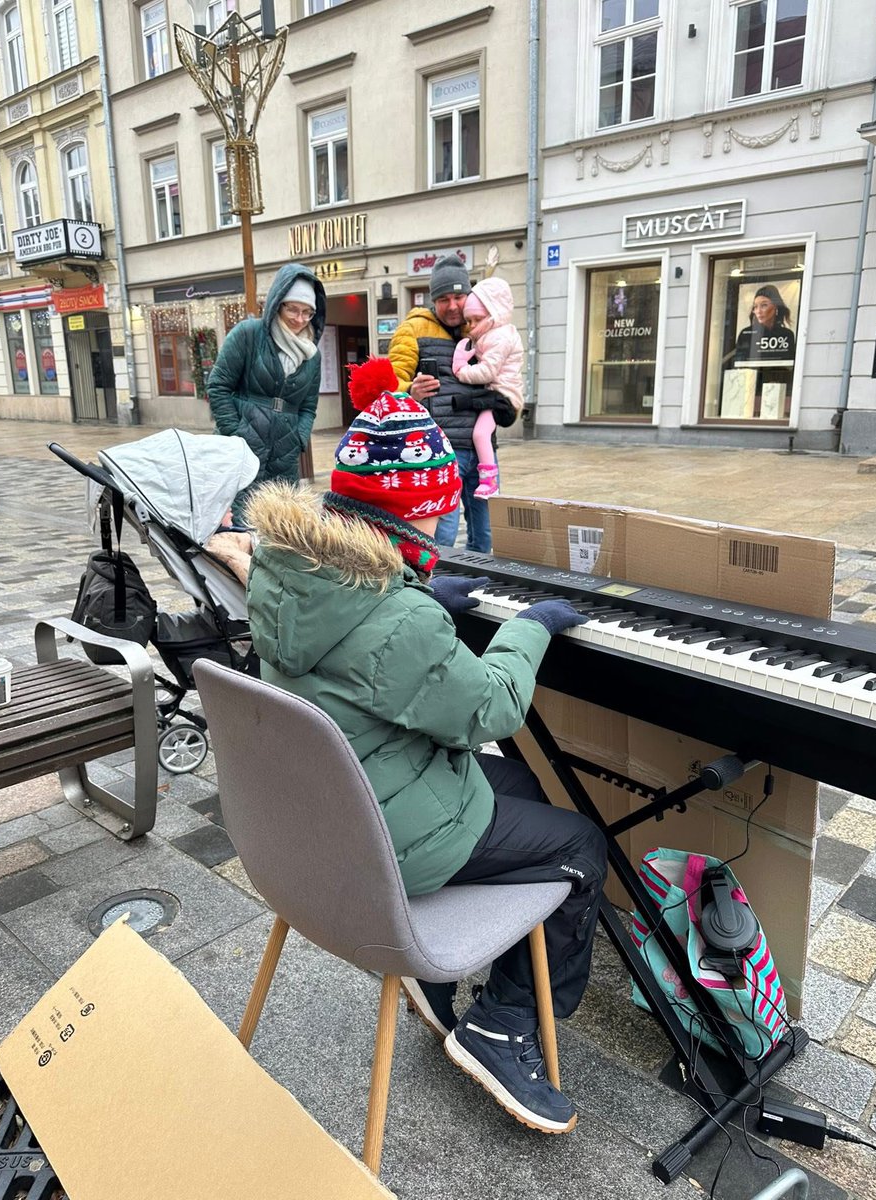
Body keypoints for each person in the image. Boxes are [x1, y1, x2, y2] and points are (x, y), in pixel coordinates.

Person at [244, 357, 607, 1136]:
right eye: (437, 518)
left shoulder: (283, 570)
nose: (447, 530)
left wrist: (412, 591)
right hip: (388, 843)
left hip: (323, 817)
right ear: (412, 523)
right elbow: (495, 707)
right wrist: (528, 625)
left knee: (524, 793)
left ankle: (466, 974)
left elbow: (359, 647)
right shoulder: (398, 623)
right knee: (581, 841)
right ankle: (504, 1025)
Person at [388, 253, 516, 553]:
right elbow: (389, 383)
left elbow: (506, 374)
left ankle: (475, 590)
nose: (453, 305)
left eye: (458, 296)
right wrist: (411, 391)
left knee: (486, 534)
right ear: (433, 300)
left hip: (484, 451)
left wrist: (508, 405)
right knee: (440, 538)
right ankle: (438, 593)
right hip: (440, 451)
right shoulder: (414, 329)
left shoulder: (483, 328)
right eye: (443, 298)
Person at [207, 263, 326, 521]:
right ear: (278, 303)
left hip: (285, 453)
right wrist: (236, 433)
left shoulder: (311, 354)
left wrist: (298, 438)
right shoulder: (248, 334)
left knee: (280, 529)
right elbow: (218, 386)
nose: (299, 319)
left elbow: (308, 406)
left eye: (307, 312)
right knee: (239, 523)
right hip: (241, 449)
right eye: (293, 309)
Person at [451, 276, 524, 499]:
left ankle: (489, 481)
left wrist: (460, 370)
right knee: (480, 432)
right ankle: (488, 480)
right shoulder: (493, 334)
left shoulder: (499, 337)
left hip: (503, 396)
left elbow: (488, 371)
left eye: (477, 319)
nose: (471, 326)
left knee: (481, 433)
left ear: (494, 313)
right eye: (468, 321)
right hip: (495, 393)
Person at [733, 284, 796, 364]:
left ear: (775, 307)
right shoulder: (746, 334)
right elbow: (739, 363)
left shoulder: (786, 335)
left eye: (764, 305)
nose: (758, 311)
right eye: (755, 307)